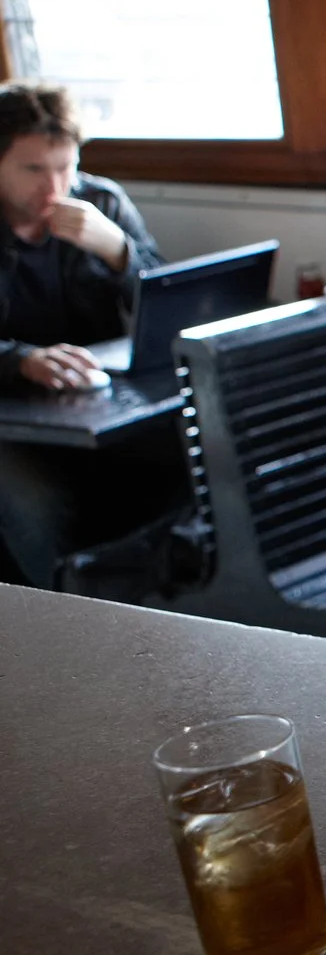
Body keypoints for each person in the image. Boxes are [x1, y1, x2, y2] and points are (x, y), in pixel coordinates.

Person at [0, 82, 167, 586]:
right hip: (10, 412)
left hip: (100, 402)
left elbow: (167, 305)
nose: (54, 188)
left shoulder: (101, 202)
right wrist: (20, 360)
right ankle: (58, 616)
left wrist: (118, 250)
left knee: (189, 458)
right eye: (33, 170)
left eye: (65, 167)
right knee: (33, 505)